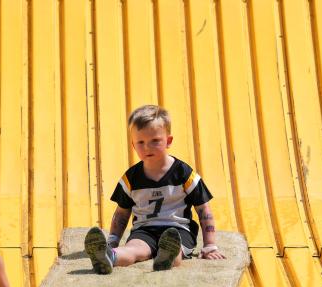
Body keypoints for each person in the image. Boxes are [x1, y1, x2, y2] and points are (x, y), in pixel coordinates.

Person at [85, 104, 224, 273]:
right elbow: (122, 213)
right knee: (133, 250)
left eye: (155, 141)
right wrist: (112, 241)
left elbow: (203, 210)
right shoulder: (131, 178)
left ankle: (166, 258)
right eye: (141, 142)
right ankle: (108, 257)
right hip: (145, 230)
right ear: (133, 145)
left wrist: (210, 245)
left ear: (169, 141)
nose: (147, 147)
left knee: (175, 250)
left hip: (178, 230)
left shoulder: (184, 174)